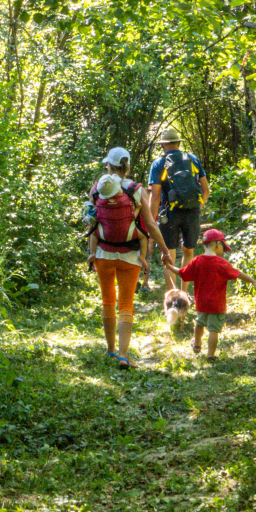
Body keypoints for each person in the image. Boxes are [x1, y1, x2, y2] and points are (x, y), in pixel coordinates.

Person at [87, 147, 172, 369]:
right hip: (130, 255)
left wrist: (91, 251)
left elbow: (91, 222)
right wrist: (163, 249)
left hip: (103, 254)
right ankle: (123, 355)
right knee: (126, 303)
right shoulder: (136, 189)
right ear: (127, 166)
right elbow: (151, 224)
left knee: (107, 300)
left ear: (109, 166)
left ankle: (110, 350)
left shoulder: (97, 188)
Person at [170, 228, 252, 363]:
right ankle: (210, 355)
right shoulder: (222, 263)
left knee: (199, 323)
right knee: (213, 330)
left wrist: (168, 266)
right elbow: (238, 274)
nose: (222, 252)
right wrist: (253, 281)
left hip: (201, 302)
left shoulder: (197, 261)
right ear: (217, 244)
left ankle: (196, 345)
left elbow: (182, 273)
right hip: (217, 304)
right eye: (223, 248)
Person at [147, 127, 209, 282]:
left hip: (169, 213)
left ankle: (172, 296)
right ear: (178, 144)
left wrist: (150, 222)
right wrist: (197, 207)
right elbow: (206, 190)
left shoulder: (159, 164)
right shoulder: (192, 159)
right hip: (192, 211)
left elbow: (155, 197)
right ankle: (184, 293)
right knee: (189, 251)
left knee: (169, 253)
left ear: (163, 145)